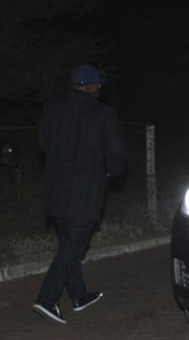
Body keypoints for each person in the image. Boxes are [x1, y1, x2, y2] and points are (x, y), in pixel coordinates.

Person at [33, 65, 126, 323]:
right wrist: (113, 172)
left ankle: (79, 294)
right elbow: (115, 150)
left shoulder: (53, 108)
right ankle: (47, 299)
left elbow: (42, 143)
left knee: (68, 244)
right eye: (98, 85)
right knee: (75, 245)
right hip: (85, 191)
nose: (100, 88)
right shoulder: (102, 113)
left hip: (56, 189)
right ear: (92, 86)